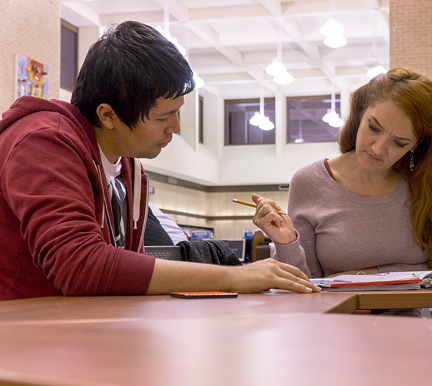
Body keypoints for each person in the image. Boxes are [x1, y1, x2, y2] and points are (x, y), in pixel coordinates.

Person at [0, 21, 318, 301]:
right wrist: (237, 276)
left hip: (70, 334)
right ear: (108, 115)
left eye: (177, 113)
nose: (176, 128)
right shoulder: (42, 141)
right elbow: (79, 266)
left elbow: (117, 274)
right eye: (164, 116)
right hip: (20, 340)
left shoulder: (127, 169)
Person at [252, 67, 432, 279]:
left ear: (415, 146)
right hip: (335, 312)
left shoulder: (426, 184)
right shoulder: (309, 182)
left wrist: (369, 276)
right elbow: (305, 285)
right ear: (360, 115)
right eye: (373, 128)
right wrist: (287, 242)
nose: (377, 148)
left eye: (399, 143)